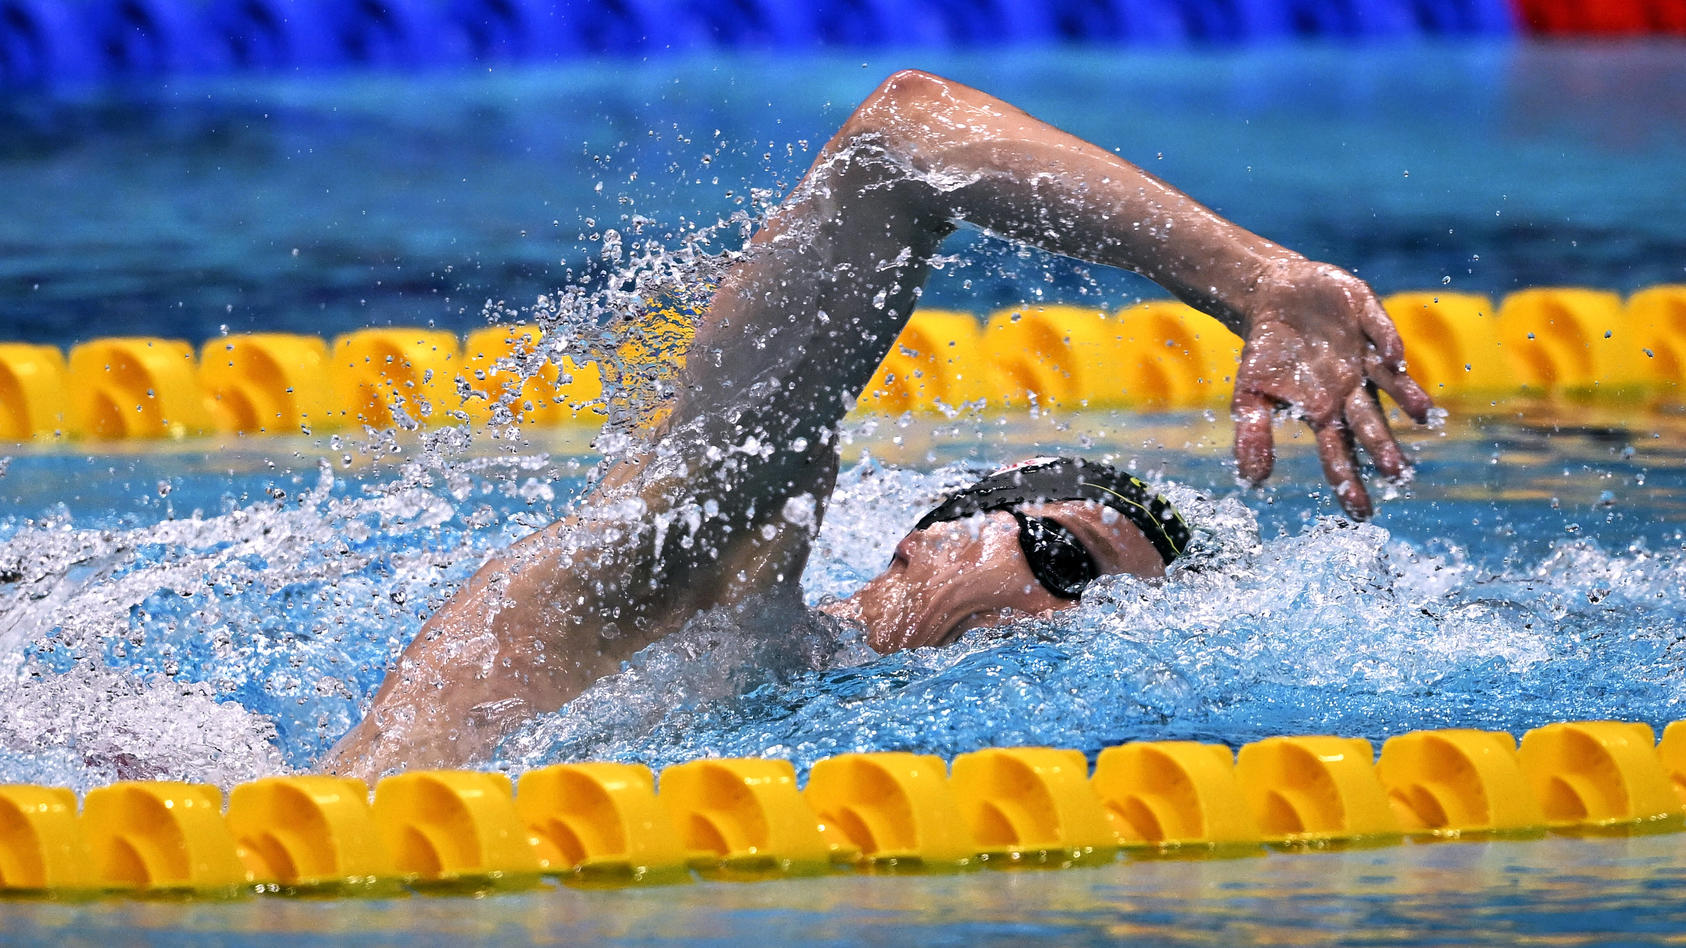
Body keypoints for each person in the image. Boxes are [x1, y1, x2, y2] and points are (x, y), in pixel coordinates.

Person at [324, 69, 1433, 781]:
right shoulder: (725, 562)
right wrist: (1257, 280)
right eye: (1063, 556)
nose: (1063, 617)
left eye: (1101, 608)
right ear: (929, 534)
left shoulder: (829, 735)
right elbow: (902, 138)